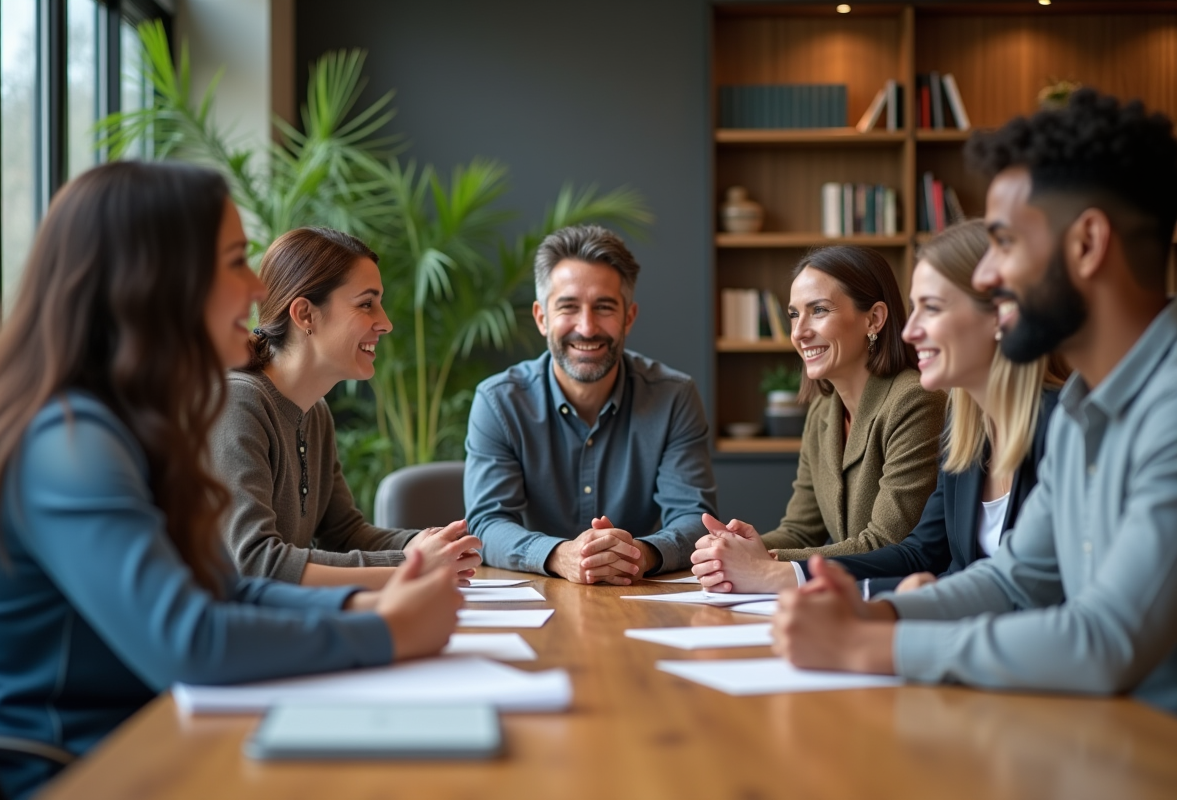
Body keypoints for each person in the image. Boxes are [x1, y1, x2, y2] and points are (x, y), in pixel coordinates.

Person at [0, 162, 461, 800]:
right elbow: (187, 640)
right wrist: (384, 630)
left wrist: (360, 604)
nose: (254, 288)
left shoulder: (129, 424)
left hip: (154, 739)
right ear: (156, 280)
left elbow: (221, 586)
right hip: (80, 768)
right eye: (235, 261)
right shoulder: (67, 443)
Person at [772, 89, 1177, 714]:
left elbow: (1107, 639)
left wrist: (871, 646)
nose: (987, 277)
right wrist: (876, 611)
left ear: (1088, 244)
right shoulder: (1078, 413)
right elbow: (1014, 577)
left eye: (1006, 243)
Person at [210, 227, 482, 590]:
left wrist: (422, 545)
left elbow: (344, 533)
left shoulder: (315, 412)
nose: (385, 323)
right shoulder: (238, 402)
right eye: (366, 303)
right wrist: (411, 565)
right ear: (305, 314)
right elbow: (258, 563)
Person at [464, 224, 718, 584]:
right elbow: (487, 524)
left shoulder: (674, 397)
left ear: (628, 318)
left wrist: (638, 554)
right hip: (537, 596)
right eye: (568, 307)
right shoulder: (498, 401)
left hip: (635, 594)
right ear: (542, 317)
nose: (586, 327)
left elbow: (695, 517)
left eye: (604, 307)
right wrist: (557, 555)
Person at [691, 246, 946, 591]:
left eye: (819, 311)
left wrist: (763, 564)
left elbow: (885, 543)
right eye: (795, 314)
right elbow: (799, 529)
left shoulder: (915, 401)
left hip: (902, 602)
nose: (799, 332)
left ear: (874, 319)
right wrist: (735, 548)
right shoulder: (822, 411)